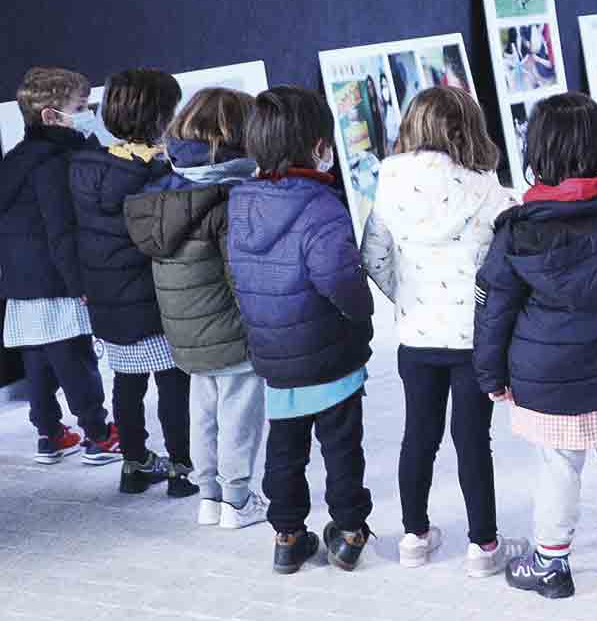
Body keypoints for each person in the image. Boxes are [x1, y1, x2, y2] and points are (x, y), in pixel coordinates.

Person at [474, 93, 597, 600]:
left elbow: (494, 309)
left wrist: (491, 375)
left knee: (557, 465)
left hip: (549, 378)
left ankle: (551, 563)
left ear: (537, 155)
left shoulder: (518, 231)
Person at [360, 87, 528, 577]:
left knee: (419, 434)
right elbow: (506, 270)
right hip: (475, 340)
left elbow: (373, 255)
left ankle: (413, 536)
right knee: (472, 439)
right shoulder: (493, 194)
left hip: (417, 336)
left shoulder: (388, 185)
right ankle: (484, 546)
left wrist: (406, 297)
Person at [226, 87, 377, 574]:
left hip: (274, 353)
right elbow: (341, 281)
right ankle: (349, 533)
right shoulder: (321, 206)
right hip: (329, 353)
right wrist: (363, 314)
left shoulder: (240, 204)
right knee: (342, 447)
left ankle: (287, 536)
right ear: (319, 147)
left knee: (285, 449)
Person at [125, 88, 270, 529]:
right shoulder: (229, 199)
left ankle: (209, 496)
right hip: (231, 331)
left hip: (185, 334)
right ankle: (238, 500)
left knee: (203, 411)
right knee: (239, 414)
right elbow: (241, 276)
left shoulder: (162, 196)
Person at [69, 68, 194, 498]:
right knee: (173, 384)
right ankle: (181, 469)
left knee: (126, 383)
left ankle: (134, 464)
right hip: (152, 299)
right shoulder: (158, 173)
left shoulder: (85, 167)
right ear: (161, 117)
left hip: (108, 301)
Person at [0, 66, 117, 465]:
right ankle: (99, 434)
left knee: (37, 361)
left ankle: (49, 434)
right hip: (57, 279)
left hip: (22, 282)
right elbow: (61, 229)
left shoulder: (15, 159)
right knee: (76, 359)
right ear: (52, 116)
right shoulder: (56, 161)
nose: (89, 114)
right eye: (81, 108)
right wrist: (79, 284)